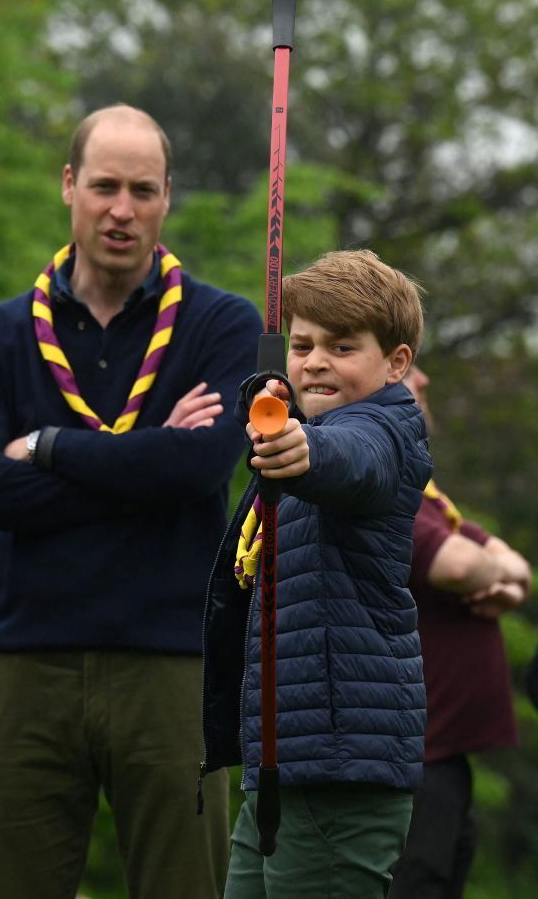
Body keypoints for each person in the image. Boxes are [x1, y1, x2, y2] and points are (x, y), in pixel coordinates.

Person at [0, 103, 263, 899]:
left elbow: (200, 471)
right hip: (25, 663)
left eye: (143, 190)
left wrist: (48, 448)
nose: (123, 210)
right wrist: (146, 461)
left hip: (172, 667)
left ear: (167, 197)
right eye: (106, 186)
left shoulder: (224, 325)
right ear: (69, 185)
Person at [201, 249, 433, 899]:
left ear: (396, 363)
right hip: (283, 763)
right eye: (301, 344)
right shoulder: (306, 426)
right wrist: (287, 427)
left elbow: (354, 461)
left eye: (342, 345)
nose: (316, 360)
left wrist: (303, 447)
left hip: (340, 771)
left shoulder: (386, 433)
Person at [388, 364, 533, 899]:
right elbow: (458, 566)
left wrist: (505, 581)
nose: (424, 379)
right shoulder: (379, 482)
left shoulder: (422, 488)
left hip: (441, 751)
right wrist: (494, 576)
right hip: (409, 754)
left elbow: (510, 563)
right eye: (407, 368)